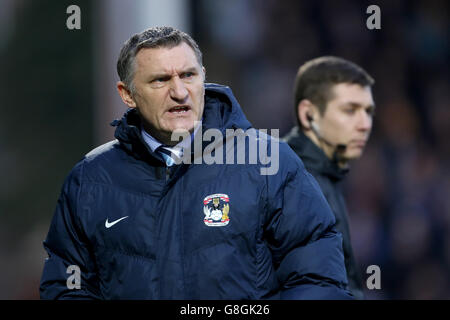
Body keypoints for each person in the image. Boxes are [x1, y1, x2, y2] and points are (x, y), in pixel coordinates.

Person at [40, 27, 352, 299]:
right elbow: (67, 287)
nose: (179, 92)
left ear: (203, 77)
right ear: (127, 94)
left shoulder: (269, 163)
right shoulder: (90, 180)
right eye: (161, 80)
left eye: (188, 75)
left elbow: (319, 276)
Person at [283, 56, 375, 299]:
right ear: (308, 114)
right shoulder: (294, 181)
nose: (365, 124)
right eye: (350, 110)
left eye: (368, 111)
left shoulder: (320, 175)